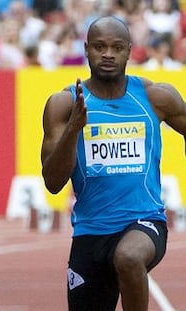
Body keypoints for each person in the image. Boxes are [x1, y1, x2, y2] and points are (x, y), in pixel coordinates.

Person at [40, 15, 186, 311]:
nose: (108, 54)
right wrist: (73, 129)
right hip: (90, 234)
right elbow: (53, 183)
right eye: (100, 47)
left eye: (117, 47)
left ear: (129, 51)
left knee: (129, 257)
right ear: (86, 49)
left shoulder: (155, 97)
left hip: (144, 223)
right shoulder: (64, 105)